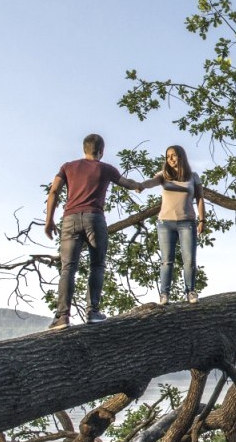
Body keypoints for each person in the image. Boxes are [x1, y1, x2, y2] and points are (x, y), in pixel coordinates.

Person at [43, 133, 149, 329]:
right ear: (102, 151)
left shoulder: (67, 167)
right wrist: (139, 186)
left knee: (68, 269)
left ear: (84, 149)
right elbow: (126, 183)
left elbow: (54, 191)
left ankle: (62, 316)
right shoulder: (106, 169)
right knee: (97, 266)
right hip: (95, 218)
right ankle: (92, 312)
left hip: (70, 219)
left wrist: (49, 220)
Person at [140, 145, 207, 303]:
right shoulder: (164, 175)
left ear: (181, 157)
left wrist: (202, 220)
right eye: (168, 156)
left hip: (187, 222)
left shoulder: (193, 176)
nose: (170, 159)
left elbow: (200, 199)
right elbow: (152, 182)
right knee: (166, 260)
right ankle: (164, 294)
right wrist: (141, 185)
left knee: (189, 260)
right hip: (165, 224)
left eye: (174, 155)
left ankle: (190, 291)